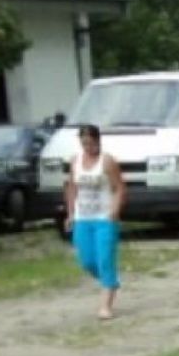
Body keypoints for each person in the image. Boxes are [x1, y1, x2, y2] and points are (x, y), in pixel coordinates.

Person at [64, 123, 127, 321]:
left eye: (91, 143)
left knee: (105, 259)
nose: (88, 147)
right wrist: (70, 213)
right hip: (83, 218)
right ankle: (111, 281)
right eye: (84, 143)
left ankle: (106, 306)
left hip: (104, 218)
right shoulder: (75, 161)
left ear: (98, 141)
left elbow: (120, 188)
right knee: (88, 261)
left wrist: (115, 210)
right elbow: (72, 188)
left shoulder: (107, 161)